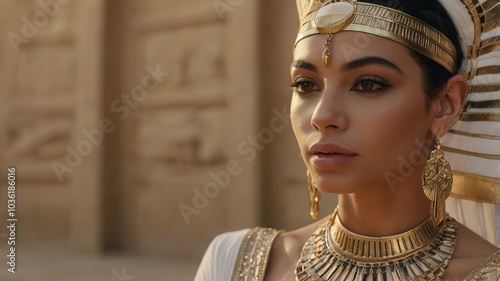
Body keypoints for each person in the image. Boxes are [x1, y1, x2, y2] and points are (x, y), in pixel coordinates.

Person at [194, 0, 500, 280]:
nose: (322, 115)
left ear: (446, 105)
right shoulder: (232, 262)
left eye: (368, 84)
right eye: (305, 84)